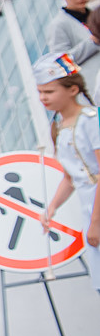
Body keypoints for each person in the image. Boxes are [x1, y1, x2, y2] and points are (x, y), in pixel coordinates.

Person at [38, 53, 100, 294]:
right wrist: (52, 207)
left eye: (49, 91)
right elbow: (70, 177)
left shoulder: (91, 120)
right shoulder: (59, 126)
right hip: (89, 208)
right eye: (40, 92)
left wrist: (96, 223)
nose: (43, 98)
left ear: (72, 90)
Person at [46, 0, 100, 91]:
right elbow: (60, 63)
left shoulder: (95, 15)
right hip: (93, 90)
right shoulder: (59, 24)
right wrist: (93, 42)